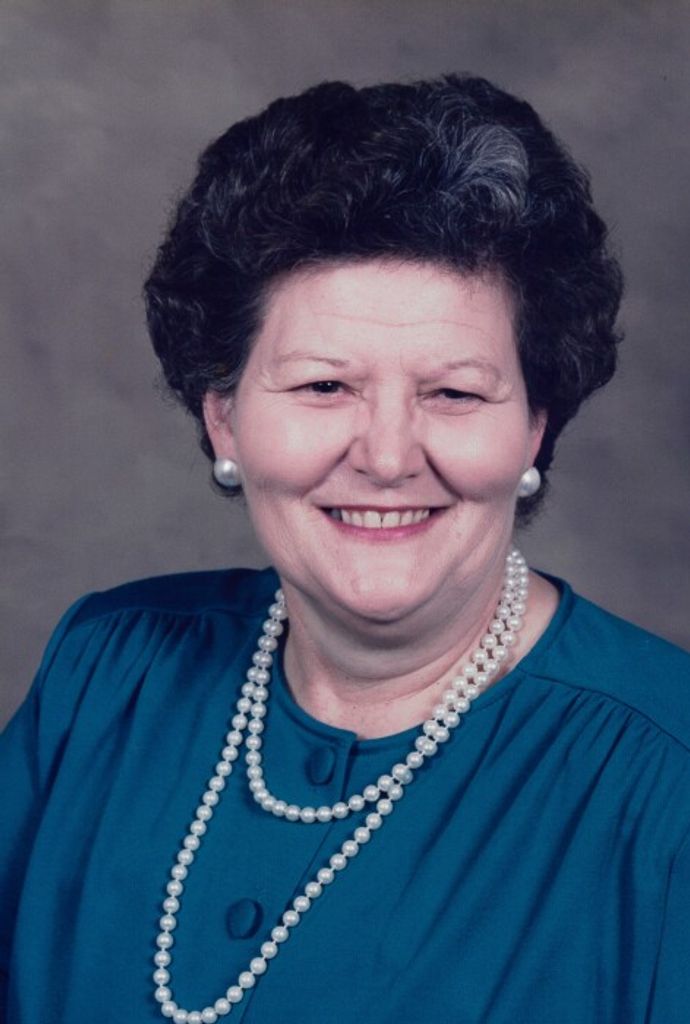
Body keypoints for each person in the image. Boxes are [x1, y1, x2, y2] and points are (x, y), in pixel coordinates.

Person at [1, 74, 688, 1024]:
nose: (388, 457)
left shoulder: (666, 778)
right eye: (324, 386)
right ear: (224, 417)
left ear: (534, 428)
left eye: (454, 393)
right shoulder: (106, 671)